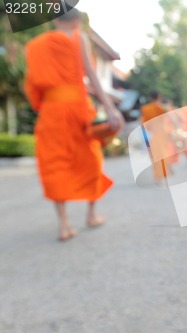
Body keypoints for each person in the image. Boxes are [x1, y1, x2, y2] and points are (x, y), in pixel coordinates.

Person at [23, 8, 124, 241]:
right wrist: (108, 107)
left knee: (55, 164)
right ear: (77, 21)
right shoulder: (79, 38)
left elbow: (31, 85)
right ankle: (91, 215)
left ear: (55, 20)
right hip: (77, 109)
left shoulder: (36, 45)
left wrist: (46, 103)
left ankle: (64, 225)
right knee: (91, 159)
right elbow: (90, 74)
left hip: (51, 112)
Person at [140, 91, 179, 180]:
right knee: (164, 153)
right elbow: (172, 120)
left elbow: (143, 123)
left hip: (152, 134)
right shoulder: (163, 108)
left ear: (150, 98)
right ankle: (164, 171)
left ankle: (159, 173)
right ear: (159, 98)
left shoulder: (145, 109)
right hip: (164, 133)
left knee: (155, 154)